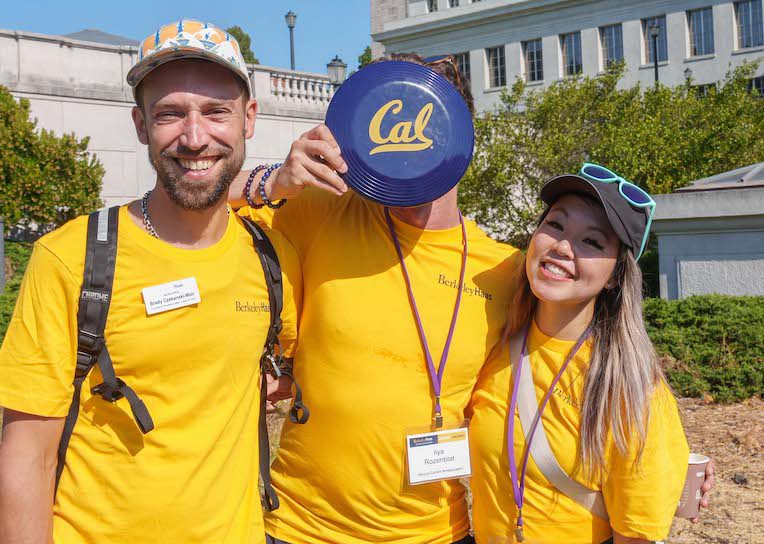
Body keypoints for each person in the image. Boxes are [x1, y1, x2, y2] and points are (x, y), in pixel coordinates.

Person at [0, 20, 305, 543]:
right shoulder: (73, 257)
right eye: (170, 114)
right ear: (141, 125)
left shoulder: (273, 259)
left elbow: (298, 372)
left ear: (249, 119)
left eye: (216, 112)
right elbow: (26, 453)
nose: (194, 137)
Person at [230, 53, 522, 544]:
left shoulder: (505, 271)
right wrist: (275, 178)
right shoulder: (325, 210)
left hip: (438, 532)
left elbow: (581, 351)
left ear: (460, 129)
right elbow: (194, 202)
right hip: (302, 528)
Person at [468, 164, 714, 544]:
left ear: (616, 275)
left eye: (592, 242)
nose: (562, 247)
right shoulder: (491, 339)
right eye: (555, 225)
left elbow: (635, 536)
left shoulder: (632, 392)